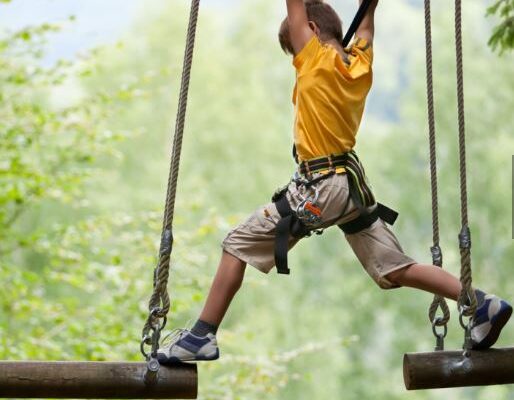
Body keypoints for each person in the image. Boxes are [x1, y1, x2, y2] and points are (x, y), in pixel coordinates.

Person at [157, 0, 511, 363]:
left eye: (294, 45)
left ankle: (202, 335)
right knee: (392, 266)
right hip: (349, 186)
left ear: (308, 30)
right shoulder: (359, 63)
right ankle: (480, 302)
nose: (295, 54)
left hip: (322, 185)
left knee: (236, 244)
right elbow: (367, 27)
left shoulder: (312, 60)